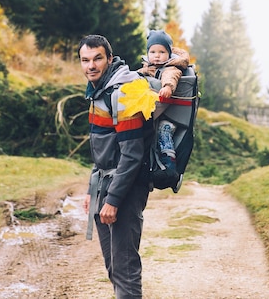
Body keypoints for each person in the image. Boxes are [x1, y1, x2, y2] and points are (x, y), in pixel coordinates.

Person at [79, 34, 155, 299]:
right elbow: (103, 150)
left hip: (126, 188)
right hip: (104, 184)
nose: (91, 65)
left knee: (124, 269)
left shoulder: (122, 93)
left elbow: (132, 155)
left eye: (97, 58)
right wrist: (93, 191)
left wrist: (112, 200)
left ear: (109, 59)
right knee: (114, 267)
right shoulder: (100, 90)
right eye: (85, 60)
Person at [137, 30, 190, 171]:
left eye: (162, 52)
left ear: (169, 54)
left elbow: (171, 76)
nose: (157, 56)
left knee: (163, 131)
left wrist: (167, 87)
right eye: (153, 52)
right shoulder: (148, 67)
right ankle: (148, 162)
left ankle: (169, 164)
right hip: (157, 111)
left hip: (171, 115)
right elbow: (137, 75)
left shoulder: (171, 67)